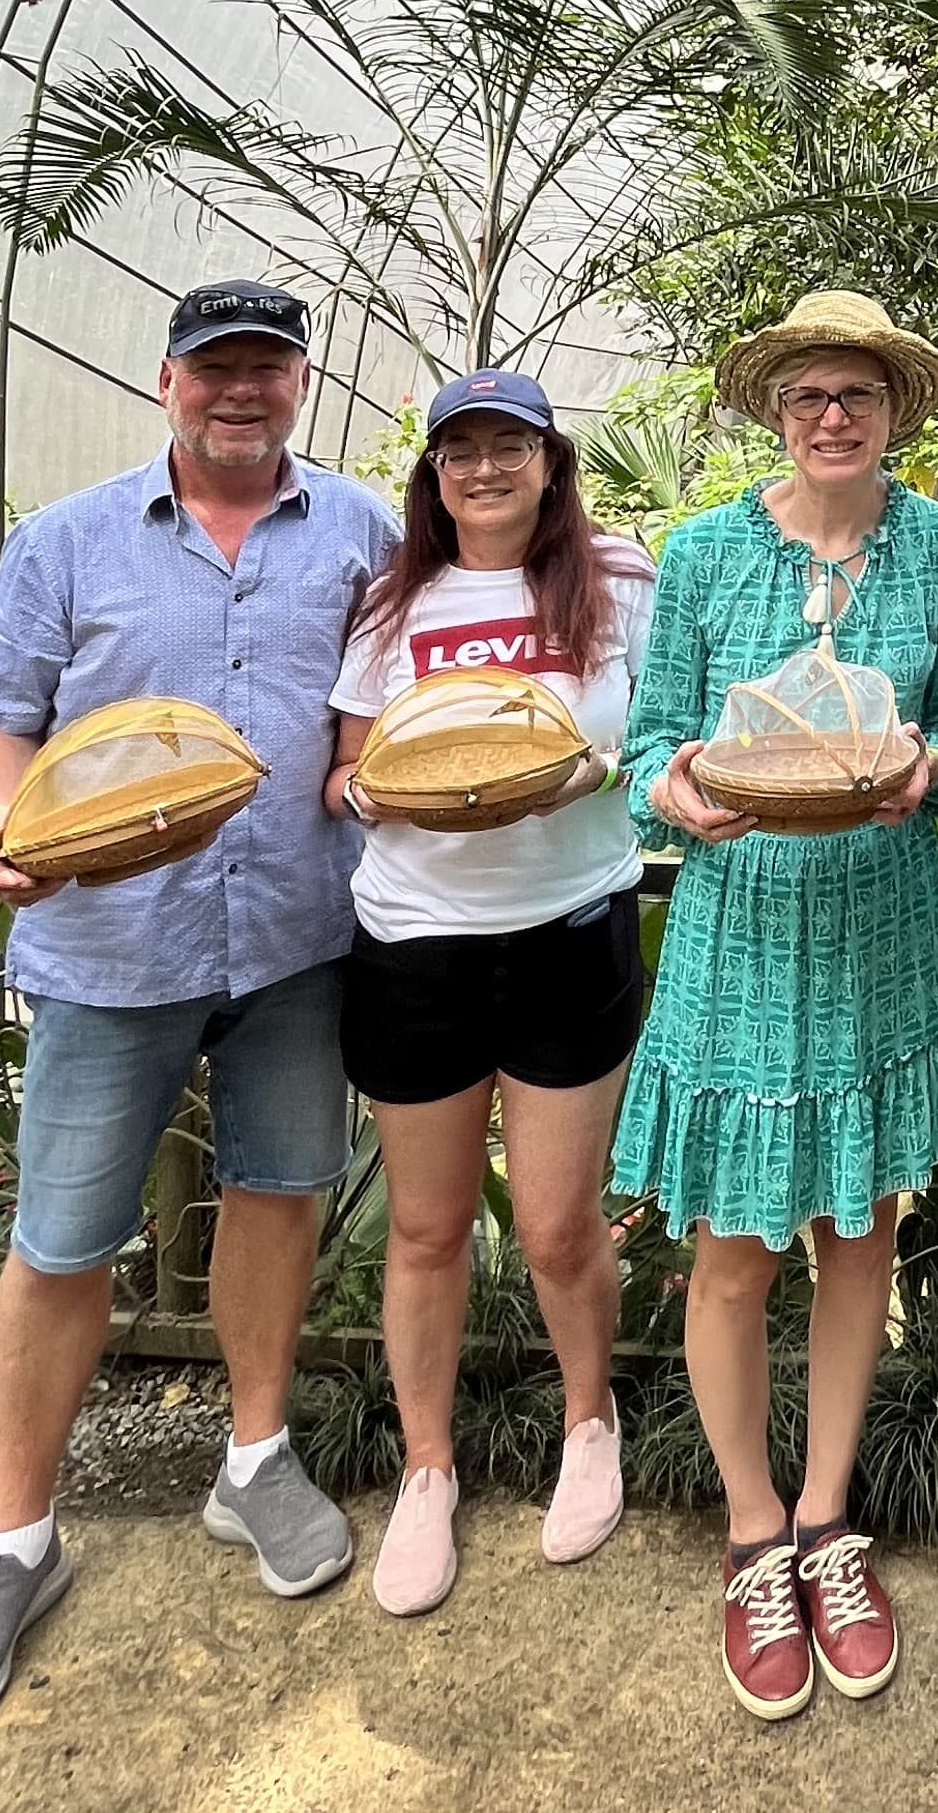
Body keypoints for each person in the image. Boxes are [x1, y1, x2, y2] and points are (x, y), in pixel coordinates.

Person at [0, 281, 398, 1747]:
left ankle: (252, 1458)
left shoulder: (363, 527)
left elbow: (391, 702)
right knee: (59, 1240)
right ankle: (14, 1542)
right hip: (112, 941)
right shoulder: (68, 538)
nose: (240, 391)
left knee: (280, 1190)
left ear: (299, 379)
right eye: (214, 369)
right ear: (167, 380)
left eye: (266, 367)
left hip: (300, 939)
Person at [611, 292, 938, 1722]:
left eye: (861, 394)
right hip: (739, 928)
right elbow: (649, 738)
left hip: (880, 924)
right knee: (729, 1255)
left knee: (854, 1232)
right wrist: (682, 791)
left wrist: (927, 768)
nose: (835, 415)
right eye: (811, 394)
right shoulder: (705, 550)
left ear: (898, 410)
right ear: (777, 409)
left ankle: (831, 1520)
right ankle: (752, 1528)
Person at [322, 368, 657, 1616]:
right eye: (460, 449)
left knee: (562, 1225)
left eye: (509, 444)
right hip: (416, 938)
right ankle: (426, 1466)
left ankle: (588, 1420)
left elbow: (660, 729)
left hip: (569, 928)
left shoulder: (620, 581)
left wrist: (590, 770)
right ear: (434, 472)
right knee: (425, 1226)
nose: (484, 467)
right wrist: (386, 795)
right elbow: (343, 772)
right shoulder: (391, 600)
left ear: (550, 462)